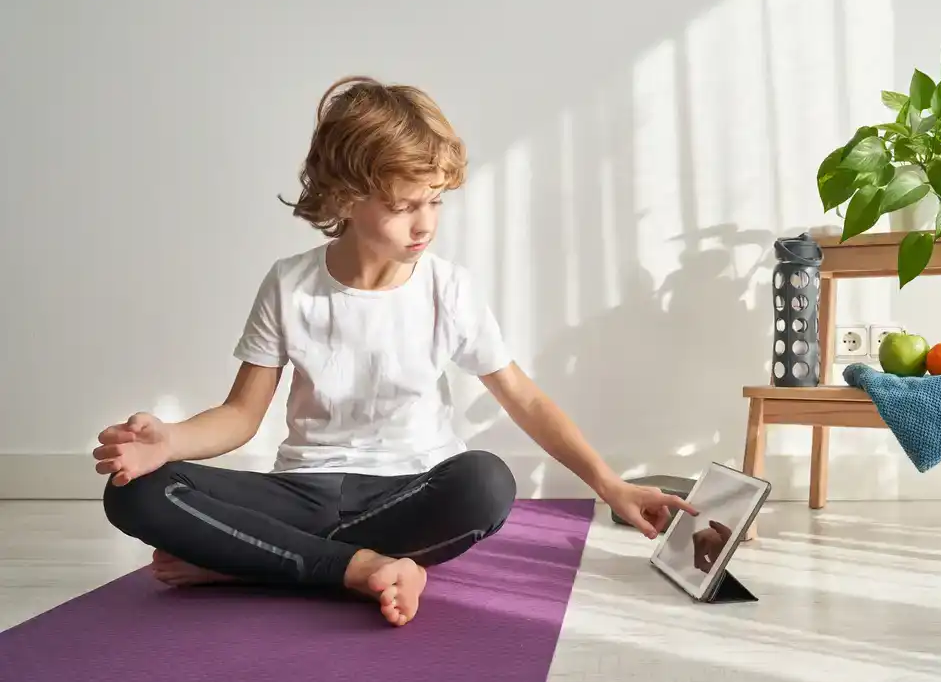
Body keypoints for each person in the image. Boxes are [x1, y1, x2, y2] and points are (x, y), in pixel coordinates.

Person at [95, 75, 697, 628]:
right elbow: (241, 416)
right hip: (302, 493)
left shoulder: (449, 288)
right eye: (405, 205)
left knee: (486, 482)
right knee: (136, 490)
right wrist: (168, 441)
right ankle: (359, 569)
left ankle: (255, 563)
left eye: (435, 200)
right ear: (346, 198)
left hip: (410, 492)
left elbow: (523, 397)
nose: (425, 224)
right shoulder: (290, 284)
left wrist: (612, 486)